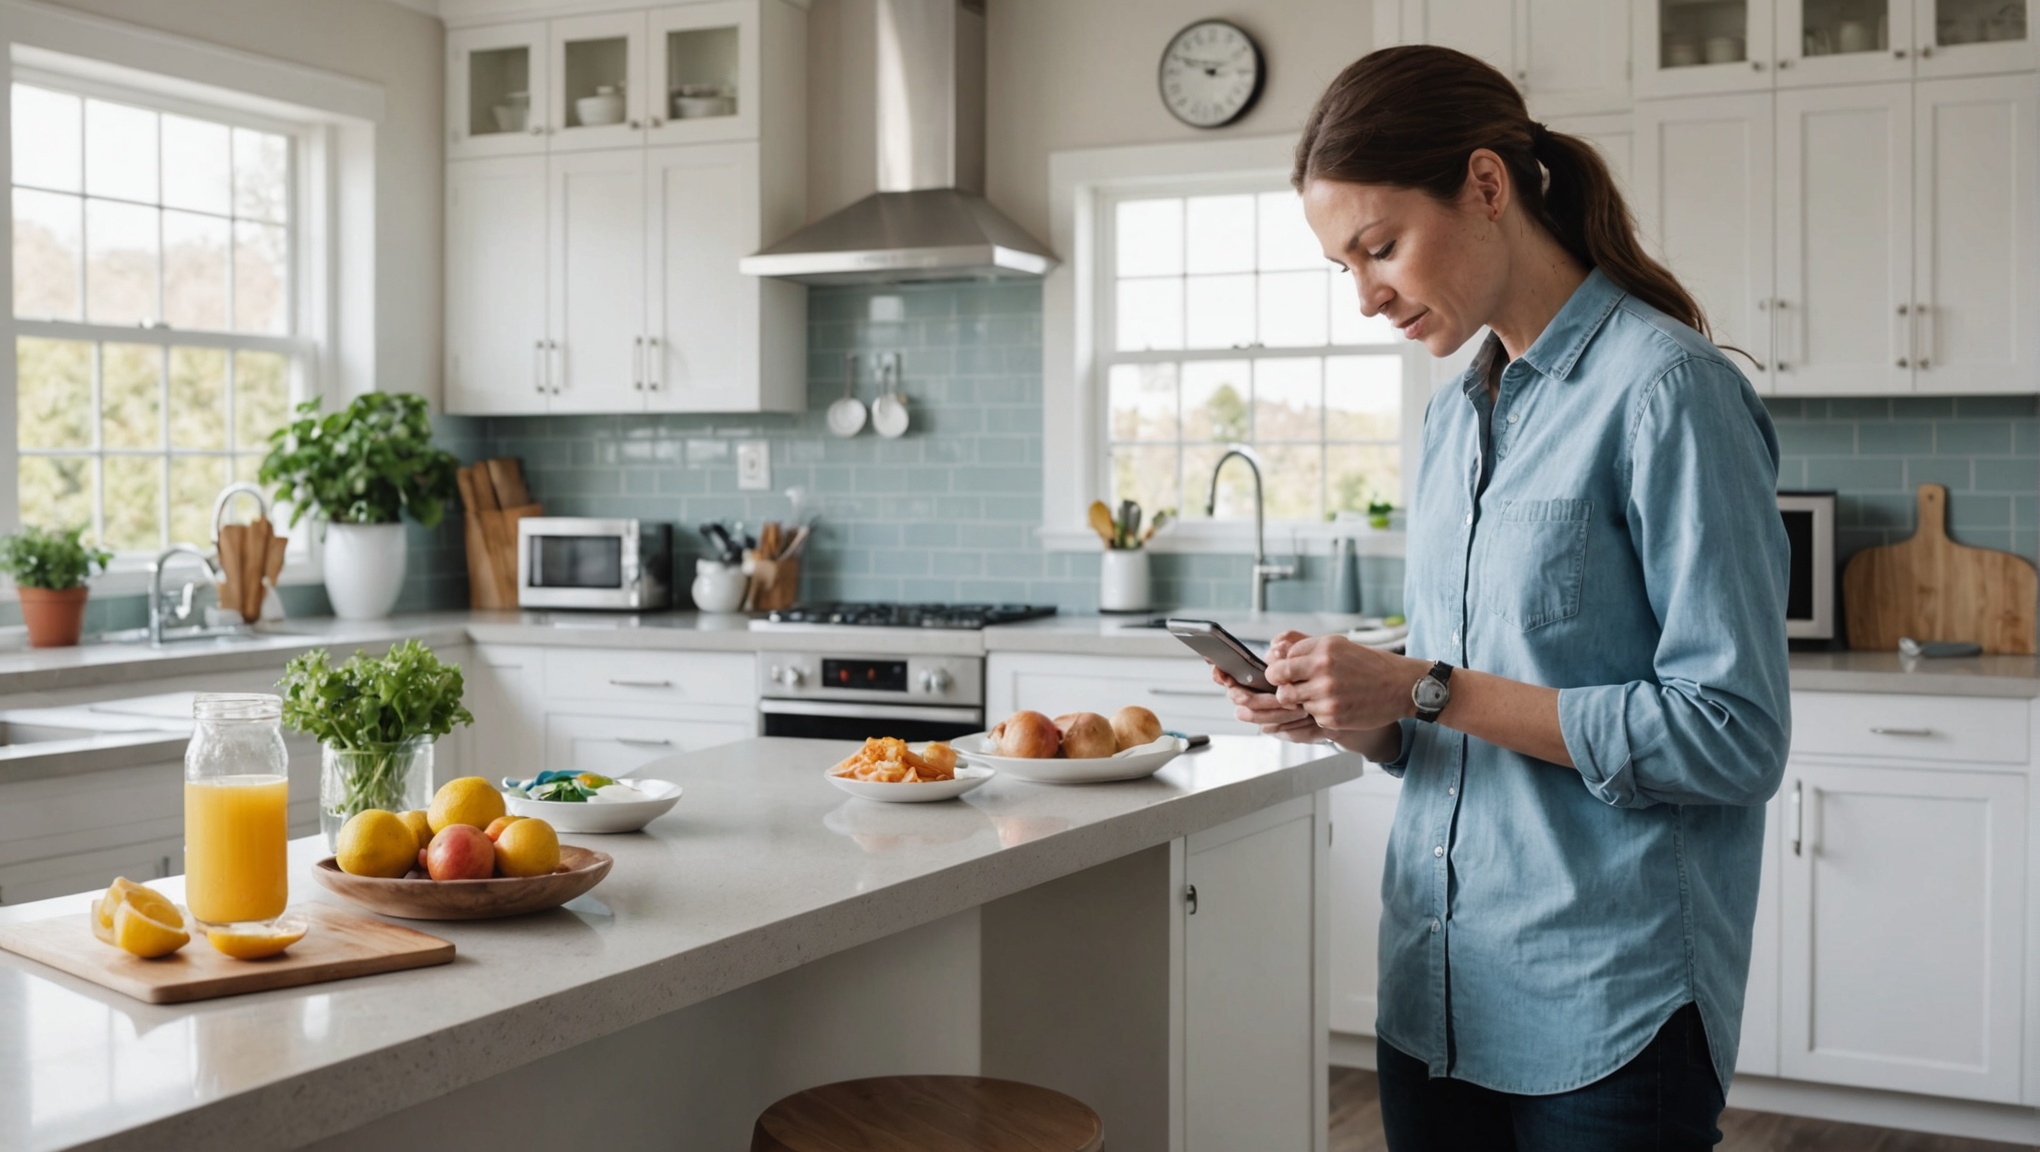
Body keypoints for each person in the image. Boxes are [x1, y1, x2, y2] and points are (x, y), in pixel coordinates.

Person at [1219, 45, 1791, 1151]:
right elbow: (1452, 718)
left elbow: (1734, 738)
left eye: (1380, 248)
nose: (1366, 296)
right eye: (1342, 266)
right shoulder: (1451, 418)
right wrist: (1368, 708)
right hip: (1436, 991)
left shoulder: (1670, 393)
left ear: (1486, 187)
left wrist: (1425, 686)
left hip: (1608, 1009)